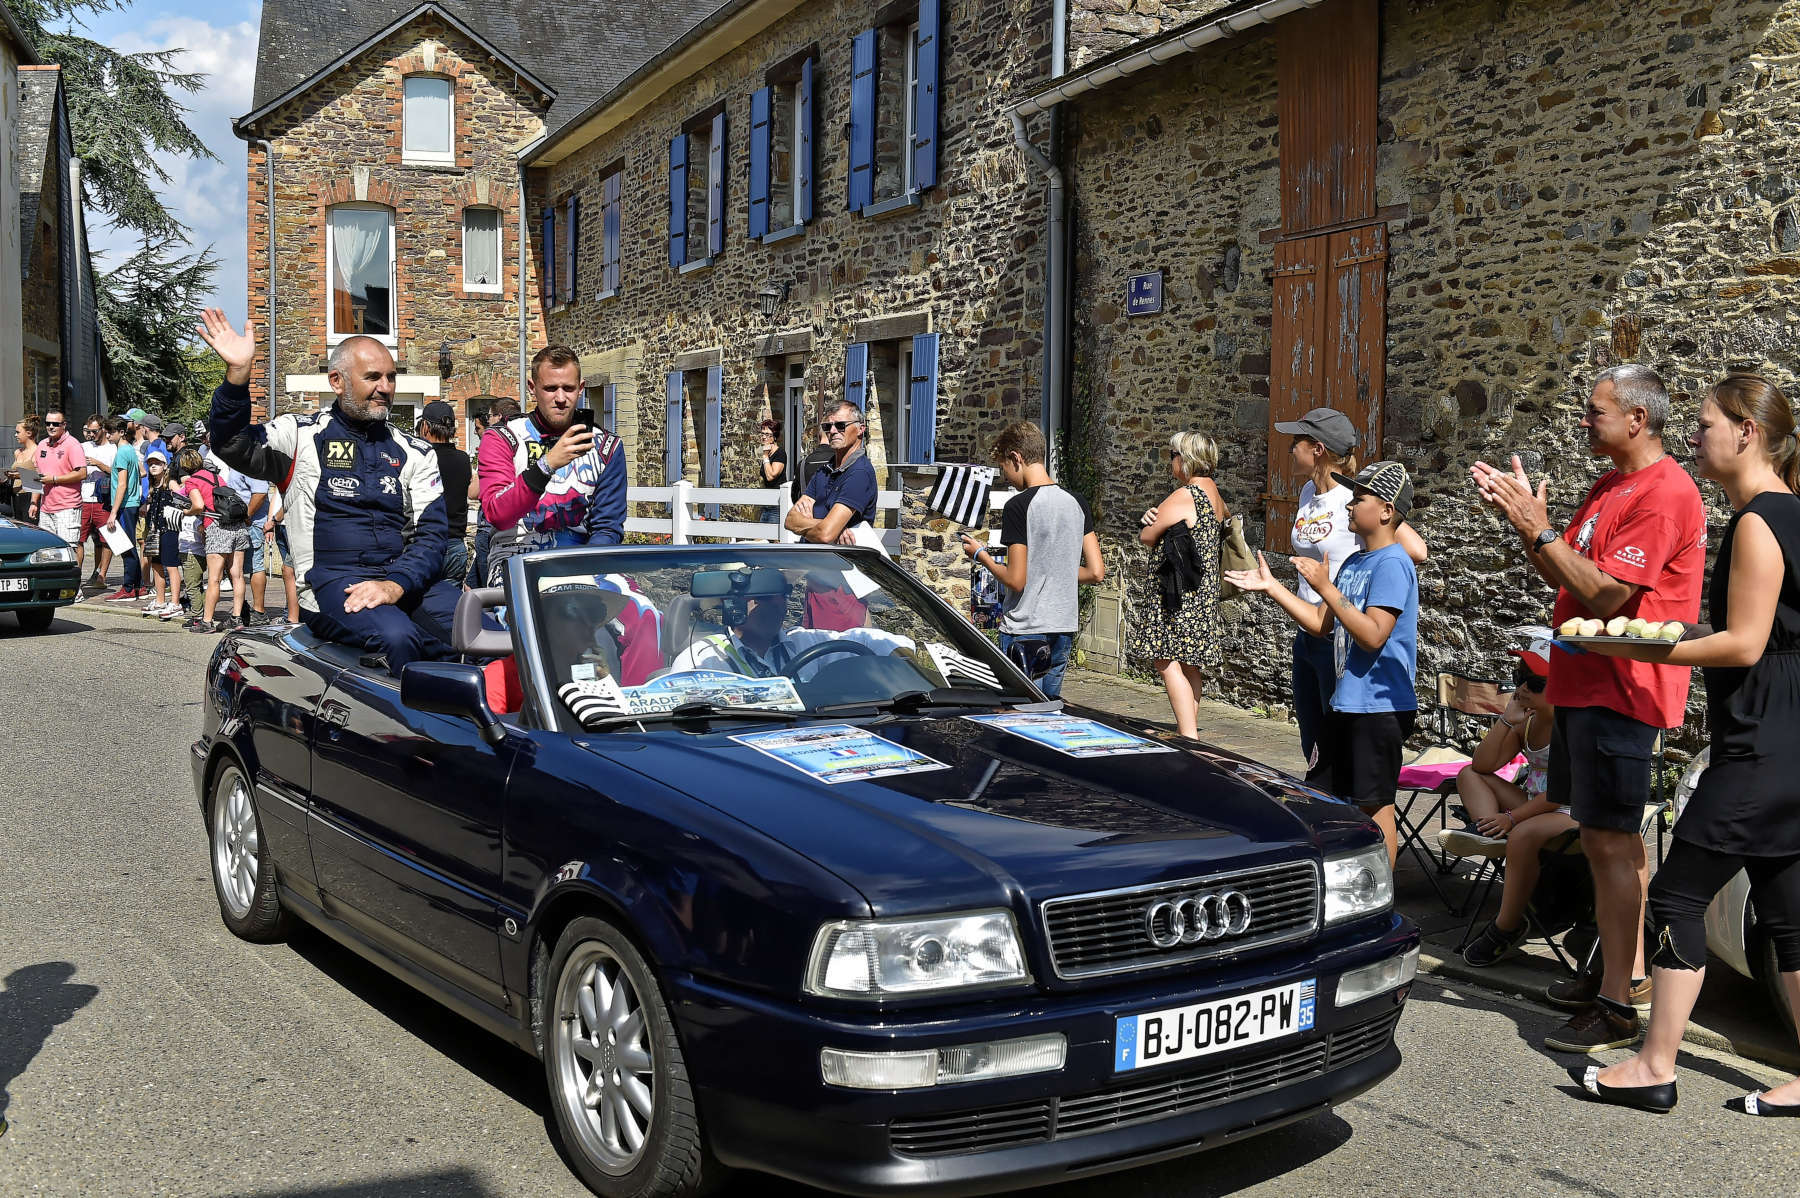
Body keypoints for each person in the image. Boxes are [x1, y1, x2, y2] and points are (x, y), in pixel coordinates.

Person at [1555, 374, 1800, 1115]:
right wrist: (1689, 634)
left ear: (1746, 433)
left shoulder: (1759, 521)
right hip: (1789, 738)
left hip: (1761, 745)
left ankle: (1655, 1063)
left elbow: (1747, 643)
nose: (1694, 438)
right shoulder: (1790, 514)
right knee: (1788, 911)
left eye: (1703, 426)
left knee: (1676, 893)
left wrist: (1645, 648)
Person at [1473, 364, 1704, 1053]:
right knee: (1605, 839)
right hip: (1583, 687)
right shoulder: (1611, 486)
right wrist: (1528, 527)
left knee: (1609, 841)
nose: (1584, 421)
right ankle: (1614, 974)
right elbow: (1569, 574)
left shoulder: (1664, 492)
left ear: (1638, 418)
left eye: (1596, 411)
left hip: (1622, 690)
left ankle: (1617, 1000)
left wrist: (1541, 532)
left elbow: (1608, 598)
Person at [199, 310, 461, 672]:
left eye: (390, 377)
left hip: (401, 580)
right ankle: (405, 728)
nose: (385, 387)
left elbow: (432, 536)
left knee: (484, 632)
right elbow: (231, 444)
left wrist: (396, 584)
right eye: (372, 377)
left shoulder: (416, 451)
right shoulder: (300, 435)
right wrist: (237, 378)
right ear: (337, 381)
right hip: (328, 584)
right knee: (398, 639)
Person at [1227, 462, 1420, 866]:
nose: (1349, 505)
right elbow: (1320, 624)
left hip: (1379, 709)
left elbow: (1373, 634)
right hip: (1345, 703)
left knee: (1374, 807)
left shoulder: (1393, 563)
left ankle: (1382, 894)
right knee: (1320, 796)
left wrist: (1327, 588)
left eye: (1360, 498)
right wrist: (1272, 586)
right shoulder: (1353, 563)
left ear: (1386, 510)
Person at [1279, 407, 1429, 782]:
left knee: (1342, 759)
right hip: (1310, 628)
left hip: (1340, 635)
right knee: (1314, 749)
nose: (1289, 450)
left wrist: (1364, 570)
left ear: (1317, 449)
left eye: (1295, 442)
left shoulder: (1356, 500)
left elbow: (1416, 549)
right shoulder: (1308, 492)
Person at [1451, 638, 1575, 968]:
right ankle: (1488, 828)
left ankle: (1507, 926)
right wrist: (1507, 720)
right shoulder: (1529, 722)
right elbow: (1483, 766)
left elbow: (1561, 794)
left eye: (1533, 683)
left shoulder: (1570, 724)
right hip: (1535, 804)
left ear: (1561, 686)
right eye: (1519, 676)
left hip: (1570, 810)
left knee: (1521, 833)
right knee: (1468, 775)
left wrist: (1513, 818)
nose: (1521, 688)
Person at [959, 421, 1104, 699]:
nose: (1006, 476)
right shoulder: (1077, 502)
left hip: (1025, 630)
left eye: (1004, 467)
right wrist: (1055, 570)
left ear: (1017, 458)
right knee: (1050, 713)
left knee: (1020, 715)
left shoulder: (1019, 505)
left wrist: (981, 555)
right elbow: (1096, 572)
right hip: (1062, 627)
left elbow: (1016, 580)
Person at [477, 346, 626, 586]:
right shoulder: (502, 438)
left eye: (568, 388)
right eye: (550, 388)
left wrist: (581, 575)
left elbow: (607, 528)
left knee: (646, 614)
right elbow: (498, 515)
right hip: (516, 558)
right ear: (532, 388)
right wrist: (547, 465)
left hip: (583, 561)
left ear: (581, 388)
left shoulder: (606, 446)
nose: (560, 398)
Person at [1135, 430, 1228, 736]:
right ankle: (1187, 729)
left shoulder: (1185, 494)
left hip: (1178, 592)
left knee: (1165, 658)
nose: (1171, 461)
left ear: (1186, 460)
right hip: (1202, 591)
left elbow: (1148, 537)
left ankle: (1189, 736)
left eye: (1173, 455)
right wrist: (1155, 516)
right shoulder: (1215, 495)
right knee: (1190, 663)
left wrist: (1148, 520)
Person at [666, 566, 912, 676]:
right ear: (734, 600)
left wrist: (908, 657)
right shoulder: (700, 660)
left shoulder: (804, 644)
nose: (777, 603)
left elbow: (865, 639)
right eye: (763, 595)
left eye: (783, 593)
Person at [786, 400, 878, 544]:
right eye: (827, 426)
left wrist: (808, 523)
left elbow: (825, 535)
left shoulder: (860, 472)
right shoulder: (825, 470)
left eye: (841, 425)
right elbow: (790, 520)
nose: (833, 431)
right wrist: (827, 525)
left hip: (839, 562)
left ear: (861, 429)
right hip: (813, 559)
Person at [180, 449, 248, 632]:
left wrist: (186, 512)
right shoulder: (217, 477)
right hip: (238, 526)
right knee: (238, 575)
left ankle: (207, 621)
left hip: (218, 528)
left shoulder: (192, 481)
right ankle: (236, 618)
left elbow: (199, 505)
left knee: (214, 579)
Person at [417, 400, 472, 585]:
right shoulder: (463, 459)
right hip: (456, 544)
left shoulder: (421, 458)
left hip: (426, 543)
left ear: (425, 426)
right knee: (450, 608)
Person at [469, 397, 519, 588]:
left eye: (490, 417)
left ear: (499, 417)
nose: (488, 422)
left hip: (490, 527)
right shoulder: (525, 442)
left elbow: (474, 491)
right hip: (519, 530)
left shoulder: (495, 443)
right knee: (472, 586)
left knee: (490, 595)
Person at [101, 417, 144, 603]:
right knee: (128, 545)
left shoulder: (122, 453)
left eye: (111, 432)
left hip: (126, 505)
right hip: (130, 504)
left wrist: (112, 512)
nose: (108, 435)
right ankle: (139, 586)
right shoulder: (130, 450)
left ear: (121, 432)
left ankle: (128, 588)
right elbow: (142, 472)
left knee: (125, 547)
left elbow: (122, 484)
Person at [141, 450, 186, 620]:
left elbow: (184, 498)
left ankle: (175, 602)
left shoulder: (170, 483)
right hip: (154, 529)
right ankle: (160, 600)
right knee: (156, 565)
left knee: (171, 565)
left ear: (164, 465)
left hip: (169, 529)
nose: (153, 466)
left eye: (157, 463)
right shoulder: (153, 486)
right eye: (151, 463)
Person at [33, 409, 86, 548]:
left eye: (55, 424)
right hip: (46, 508)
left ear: (64, 425)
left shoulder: (73, 445)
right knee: (45, 550)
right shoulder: (42, 444)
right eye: (48, 423)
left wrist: (55, 479)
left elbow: (82, 473)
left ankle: (76, 570)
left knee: (68, 548)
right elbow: (38, 475)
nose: (51, 427)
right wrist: (34, 502)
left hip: (67, 507)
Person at [78, 416, 115, 588]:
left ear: (103, 429)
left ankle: (102, 576)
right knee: (79, 539)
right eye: (88, 431)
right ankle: (76, 576)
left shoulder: (113, 448)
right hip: (83, 498)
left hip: (103, 499)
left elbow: (117, 473)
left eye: (94, 431)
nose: (91, 434)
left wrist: (98, 464)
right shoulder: (83, 447)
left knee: (107, 538)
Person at [7, 416, 40, 520]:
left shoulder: (38, 451)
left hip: (29, 495)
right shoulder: (18, 452)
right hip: (15, 495)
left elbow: (39, 478)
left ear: (29, 433)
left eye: (18, 432)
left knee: (30, 529)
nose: (15, 435)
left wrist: (18, 475)